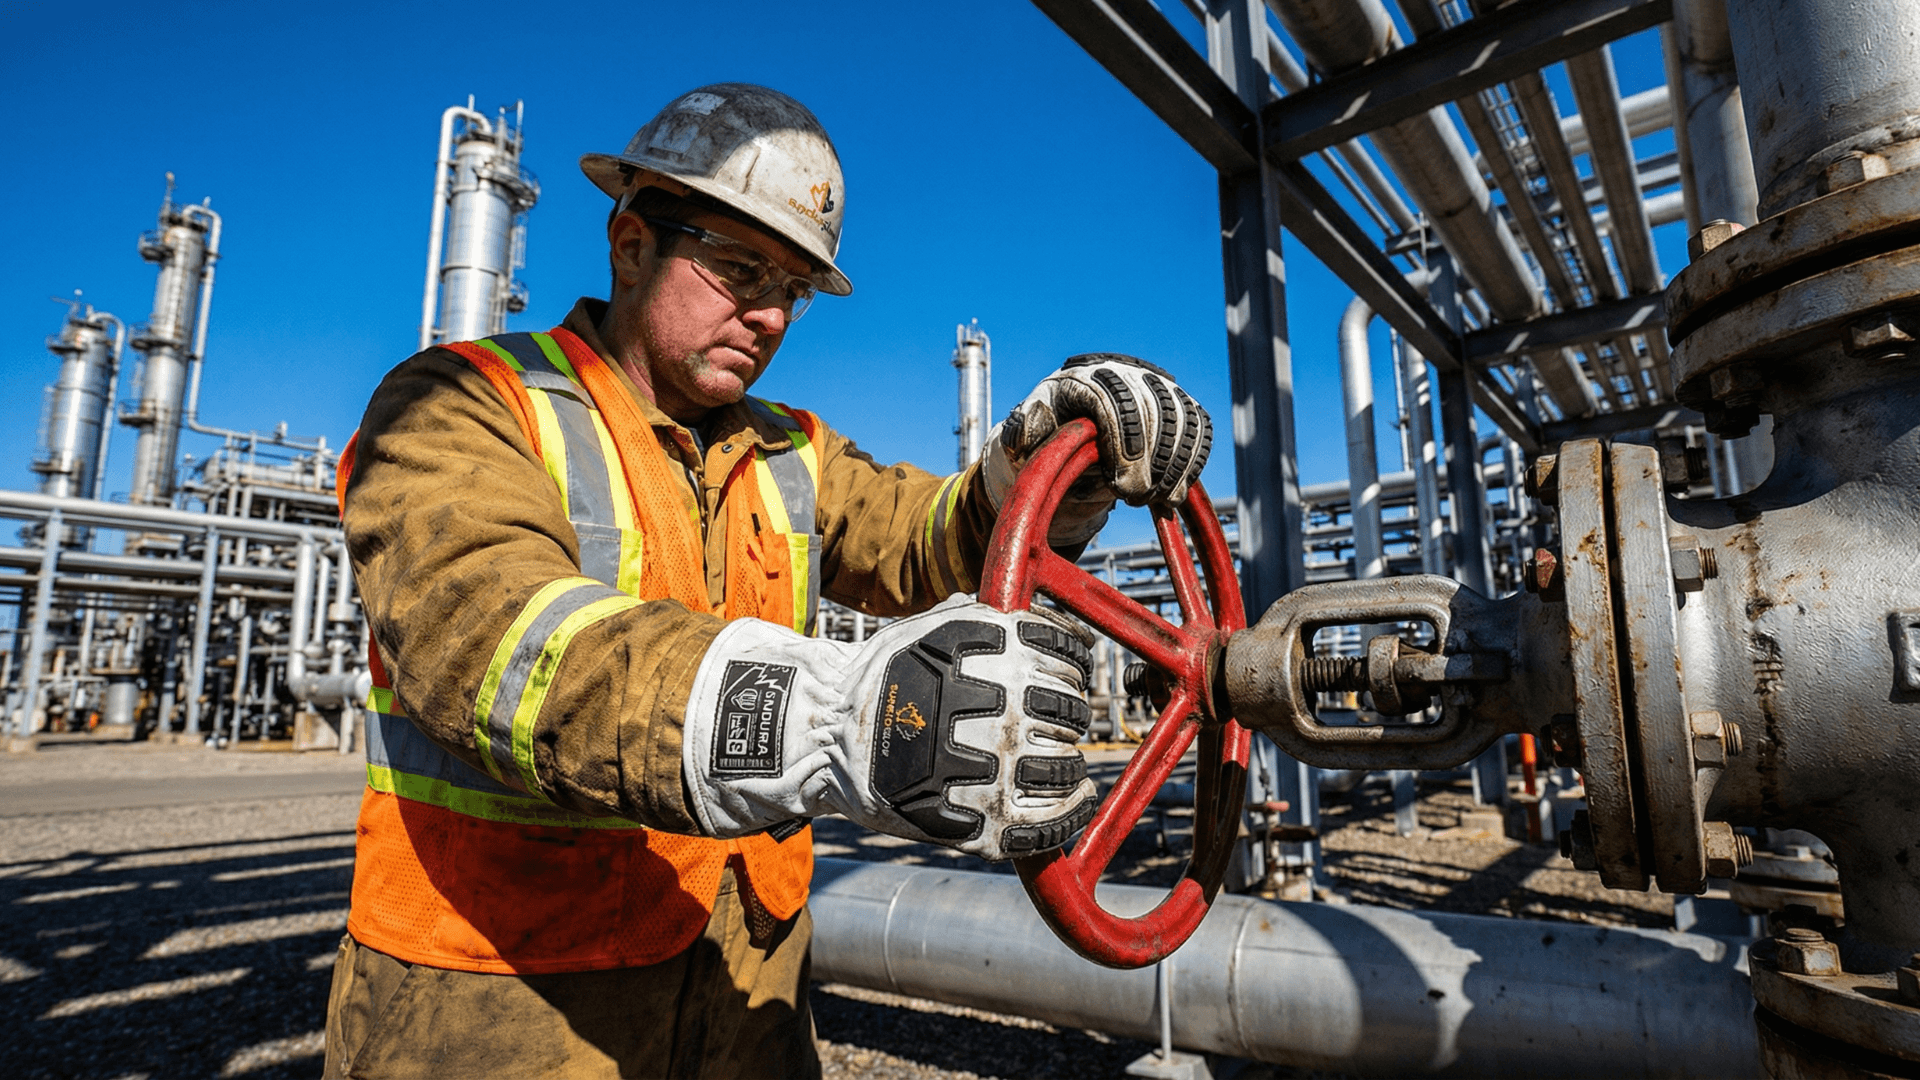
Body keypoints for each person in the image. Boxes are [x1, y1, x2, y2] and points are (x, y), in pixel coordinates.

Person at [322, 83, 1213, 1079]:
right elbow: (489, 643)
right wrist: (829, 718)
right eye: (740, 267)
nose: (767, 314)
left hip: (746, 978)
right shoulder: (461, 408)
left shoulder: (790, 449)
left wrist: (1050, 464)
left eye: (791, 288)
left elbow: (932, 544)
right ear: (630, 242)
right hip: (499, 997)